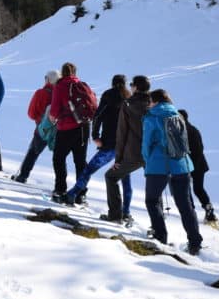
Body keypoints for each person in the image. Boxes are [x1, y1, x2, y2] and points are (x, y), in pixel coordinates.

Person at [141, 89, 202, 256]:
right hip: (181, 165)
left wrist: (148, 161)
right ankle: (195, 241)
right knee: (185, 205)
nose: (149, 104)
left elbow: (146, 144)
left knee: (152, 200)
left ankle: (161, 237)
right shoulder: (177, 114)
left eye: (150, 101)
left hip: (158, 166)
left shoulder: (151, 117)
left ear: (155, 101)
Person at [60, 74, 128, 205]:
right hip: (125, 146)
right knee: (125, 178)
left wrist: (95, 135)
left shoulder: (109, 95)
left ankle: (72, 194)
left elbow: (98, 116)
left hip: (109, 143)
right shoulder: (129, 98)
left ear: (113, 83)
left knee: (88, 170)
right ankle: (124, 212)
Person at [101, 75, 147, 224]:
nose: (131, 86)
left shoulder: (128, 105)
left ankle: (115, 216)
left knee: (111, 177)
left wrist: (118, 159)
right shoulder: (153, 104)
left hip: (134, 153)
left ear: (136, 88)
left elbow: (122, 134)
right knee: (154, 189)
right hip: (152, 154)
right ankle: (159, 230)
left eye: (133, 84)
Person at [48, 62, 93, 200]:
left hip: (66, 128)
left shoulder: (60, 86)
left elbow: (54, 110)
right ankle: (80, 193)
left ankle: (60, 189)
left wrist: (52, 119)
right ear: (75, 72)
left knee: (59, 158)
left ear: (62, 73)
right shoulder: (82, 85)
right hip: (83, 128)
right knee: (80, 161)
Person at [12, 70, 59, 183]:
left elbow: (31, 113)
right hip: (58, 128)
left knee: (33, 151)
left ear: (48, 79)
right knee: (59, 157)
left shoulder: (41, 93)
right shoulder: (61, 94)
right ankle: (60, 185)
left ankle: (23, 176)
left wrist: (39, 119)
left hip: (42, 127)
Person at [178, 108, 217, 226]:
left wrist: (191, 168)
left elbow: (198, 150)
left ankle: (198, 210)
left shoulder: (189, 131)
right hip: (197, 165)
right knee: (197, 188)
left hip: (195, 165)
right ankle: (206, 209)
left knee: (193, 188)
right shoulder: (189, 129)